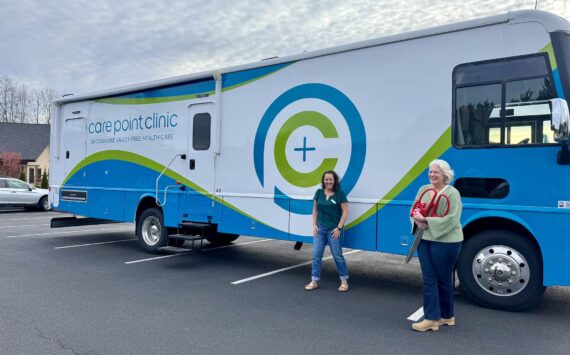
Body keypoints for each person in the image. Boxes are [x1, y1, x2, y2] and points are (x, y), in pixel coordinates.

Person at [410, 159, 463, 332]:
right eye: (430, 171)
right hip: (424, 238)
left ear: (445, 175)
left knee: (443, 279)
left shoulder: (453, 193)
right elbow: (414, 209)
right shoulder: (423, 189)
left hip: (447, 242)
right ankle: (436, 318)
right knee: (429, 278)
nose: (432, 175)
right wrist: (418, 221)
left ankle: (445, 317)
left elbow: (452, 219)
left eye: (436, 172)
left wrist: (427, 221)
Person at [305, 170, 350, 292]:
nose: (328, 181)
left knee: (337, 255)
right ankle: (314, 281)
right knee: (316, 254)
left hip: (334, 230)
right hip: (320, 228)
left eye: (330, 179)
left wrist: (339, 228)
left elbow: (345, 212)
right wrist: (314, 225)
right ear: (323, 181)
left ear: (334, 181)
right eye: (326, 179)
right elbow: (315, 211)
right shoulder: (318, 193)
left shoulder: (340, 194)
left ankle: (344, 281)